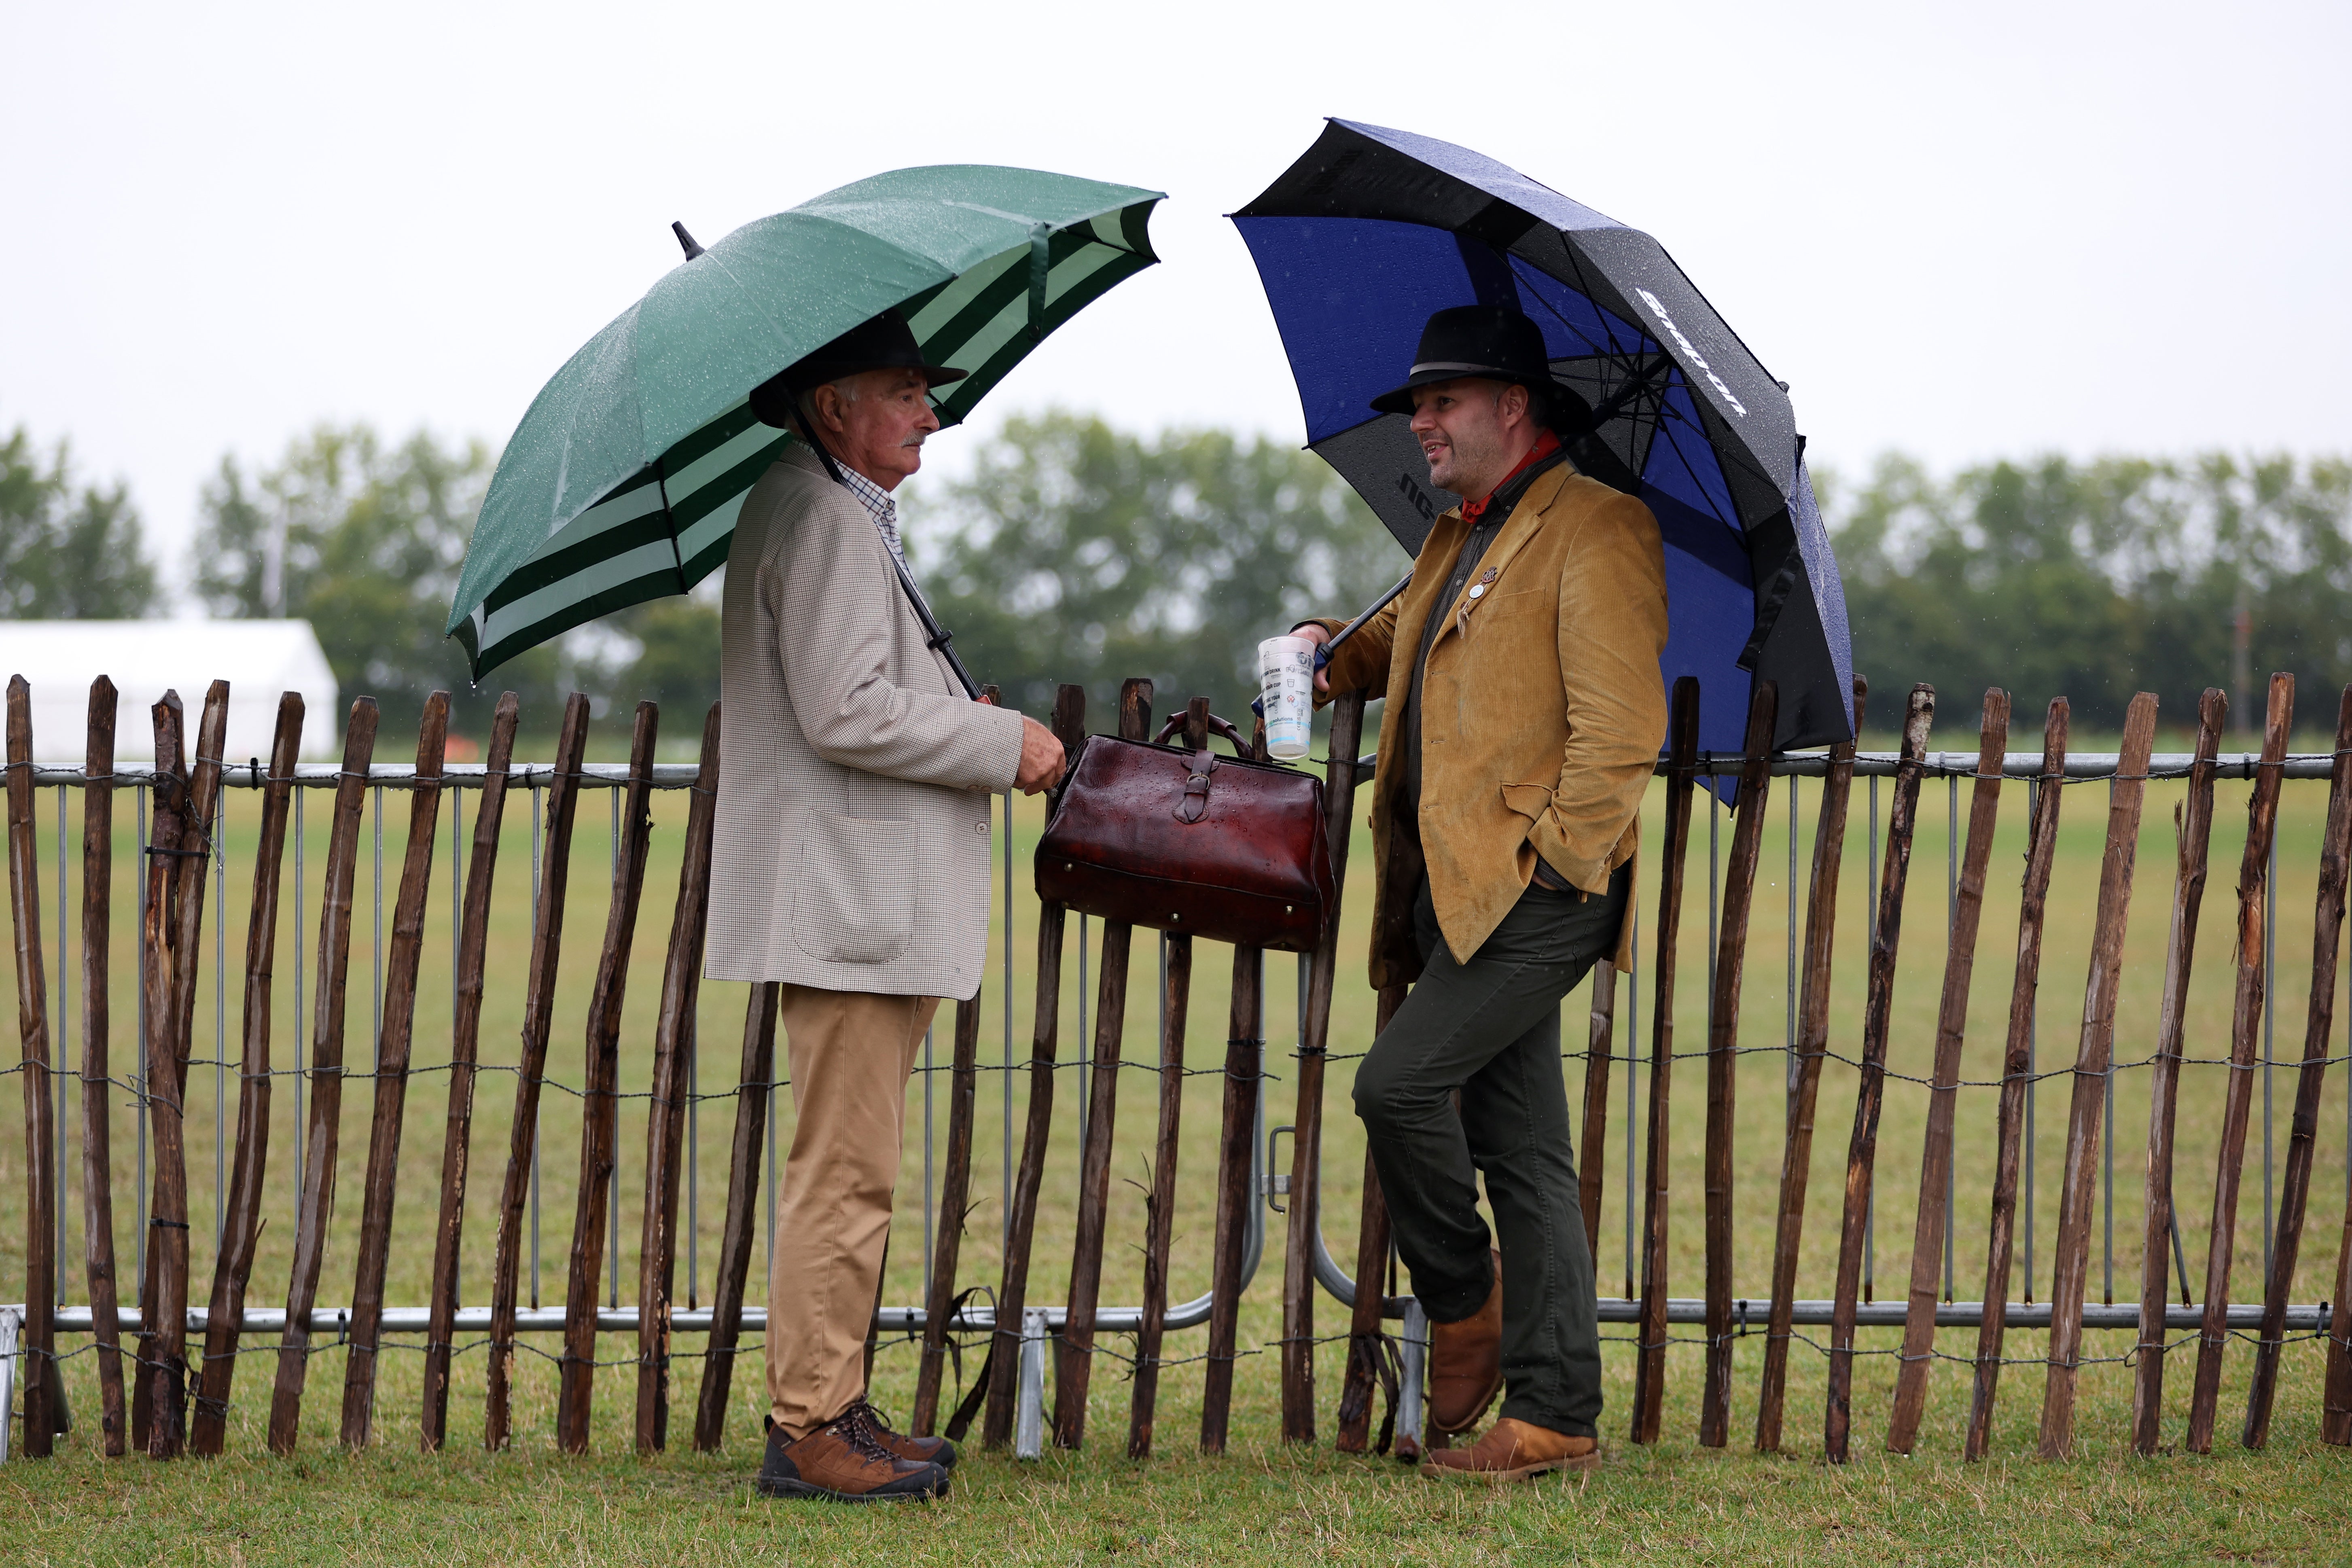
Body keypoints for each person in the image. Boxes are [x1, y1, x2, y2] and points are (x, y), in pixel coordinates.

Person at [1286, 304, 1667, 1480]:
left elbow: (1620, 732)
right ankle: (1555, 1412)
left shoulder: (1598, 528)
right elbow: (1408, 630)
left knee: (1395, 1087)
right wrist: (1327, 644)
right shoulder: (1464, 530)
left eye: (1440, 402)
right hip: (1462, 896)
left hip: (1539, 890)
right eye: (1416, 404)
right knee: (1526, 1151)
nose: (1420, 423)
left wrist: (1556, 863)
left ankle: (1465, 1300)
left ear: (1514, 405)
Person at [707, 308, 1066, 1503]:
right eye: (904, 390)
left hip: (854, 897)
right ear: (833, 407)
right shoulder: (822, 516)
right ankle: (810, 1424)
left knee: (851, 1166)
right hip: (849, 901)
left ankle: (833, 1405)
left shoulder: (829, 506)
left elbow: (856, 692)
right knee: (843, 1172)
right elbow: (845, 710)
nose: (930, 410)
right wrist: (994, 735)